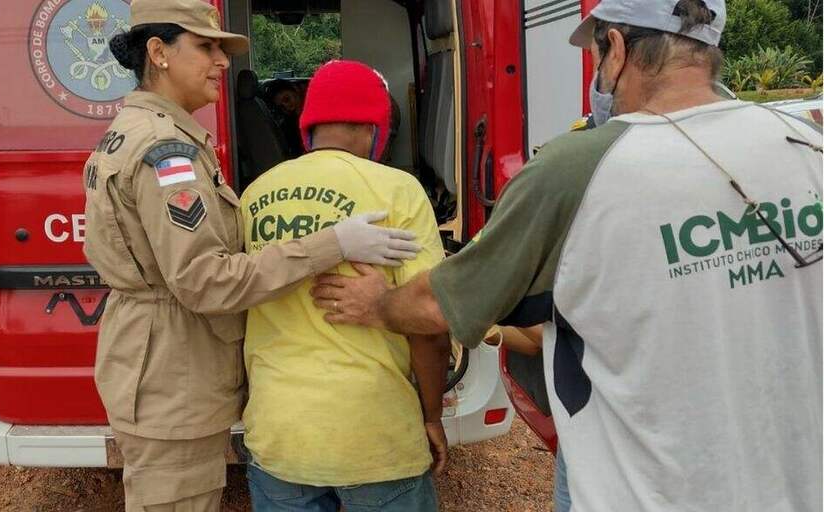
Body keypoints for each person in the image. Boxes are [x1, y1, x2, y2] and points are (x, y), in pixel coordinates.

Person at [310, 1, 823, 510]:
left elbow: (439, 306)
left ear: (617, 48)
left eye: (598, 57)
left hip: (644, 493)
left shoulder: (578, 167)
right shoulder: (806, 144)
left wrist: (378, 304)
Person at [83, 2, 422, 510]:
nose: (222, 61)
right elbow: (204, 281)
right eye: (205, 46)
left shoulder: (138, 132)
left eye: (221, 48)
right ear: (158, 53)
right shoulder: (165, 152)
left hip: (157, 362)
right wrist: (333, 243)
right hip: (172, 374)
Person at [239, 59, 449, 512]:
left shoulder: (255, 194)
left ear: (308, 127)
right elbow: (429, 324)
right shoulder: (399, 190)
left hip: (281, 436)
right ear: (376, 128)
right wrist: (431, 416)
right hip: (376, 437)